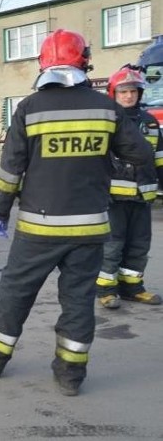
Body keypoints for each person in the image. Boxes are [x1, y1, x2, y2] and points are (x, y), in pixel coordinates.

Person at [0, 29, 151, 396]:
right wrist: (103, 167)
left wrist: (0, 212)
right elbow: (142, 156)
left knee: (15, 292)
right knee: (79, 299)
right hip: (90, 228)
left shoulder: (29, 108)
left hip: (39, 226)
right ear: (84, 61)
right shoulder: (107, 107)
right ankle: (69, 375)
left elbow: (10, 170)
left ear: (43, 64)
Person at [97, 66, 163, 308]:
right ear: (114, 93)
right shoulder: (106, 120)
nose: (129, 96)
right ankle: (106, 290)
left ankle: (133, 288)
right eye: (123, 91)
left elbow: (159, 158)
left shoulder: (150, 122)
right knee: (112, 246)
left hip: (142, 196)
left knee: (139, 245)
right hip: (112, 198)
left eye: (133, 91)